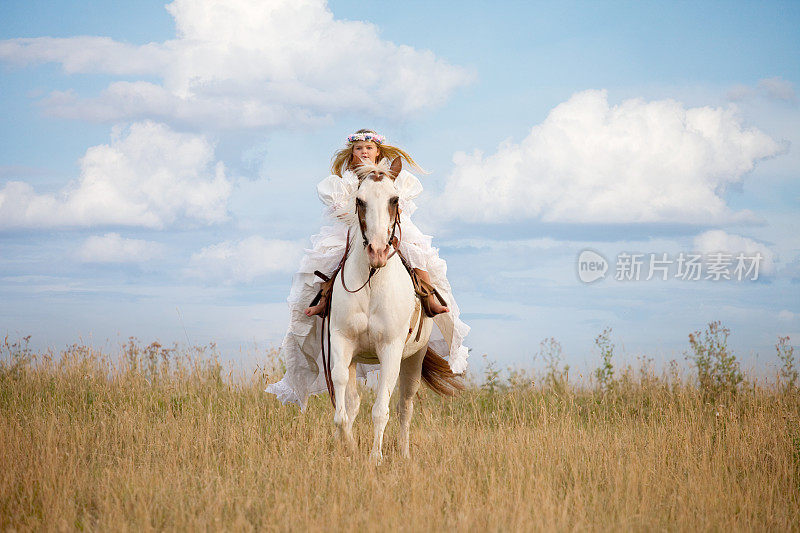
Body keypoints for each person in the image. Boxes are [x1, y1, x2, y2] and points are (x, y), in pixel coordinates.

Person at [265, 129, 470, 409]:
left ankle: (427, 295)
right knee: (324, 258)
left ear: (378, 153)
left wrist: (385, 218)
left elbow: (401, 204)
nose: (364, 152)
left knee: (417, 250)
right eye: (359, 148)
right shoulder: (344, 182)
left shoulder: (392, 177)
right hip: (354, 226)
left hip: (387, 223)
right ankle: (322, 299)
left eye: (369, 148)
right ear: (351, 154)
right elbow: (339, 207)